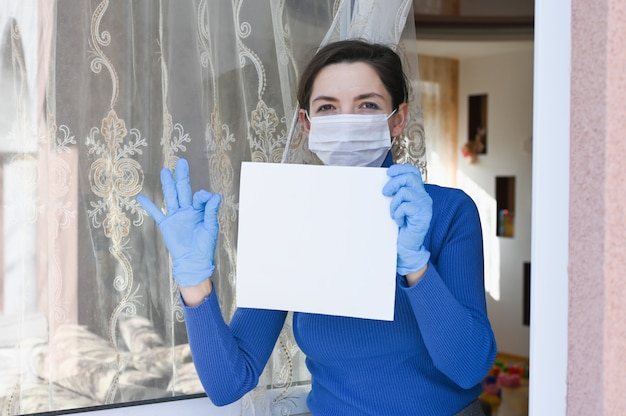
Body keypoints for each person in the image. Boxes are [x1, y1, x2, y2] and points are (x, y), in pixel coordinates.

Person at [138, 39, 496, 416]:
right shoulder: (291, 215)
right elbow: (229, 384)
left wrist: (415, 265)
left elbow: (468, 368)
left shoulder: (450, 211)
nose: (347, 120)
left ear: (398, 119)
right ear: (307, 124)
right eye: (328, 107)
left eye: (368, 105)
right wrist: (194, 282)